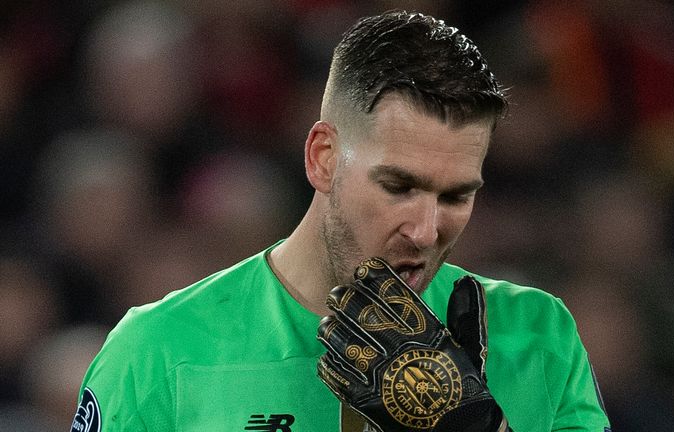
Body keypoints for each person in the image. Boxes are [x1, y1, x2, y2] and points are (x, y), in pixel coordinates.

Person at [72, 10, 611, 432]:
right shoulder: (158, 352)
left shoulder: (540, 335)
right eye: (399, 187)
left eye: (455, 197)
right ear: (323, 157)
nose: (426, 232)